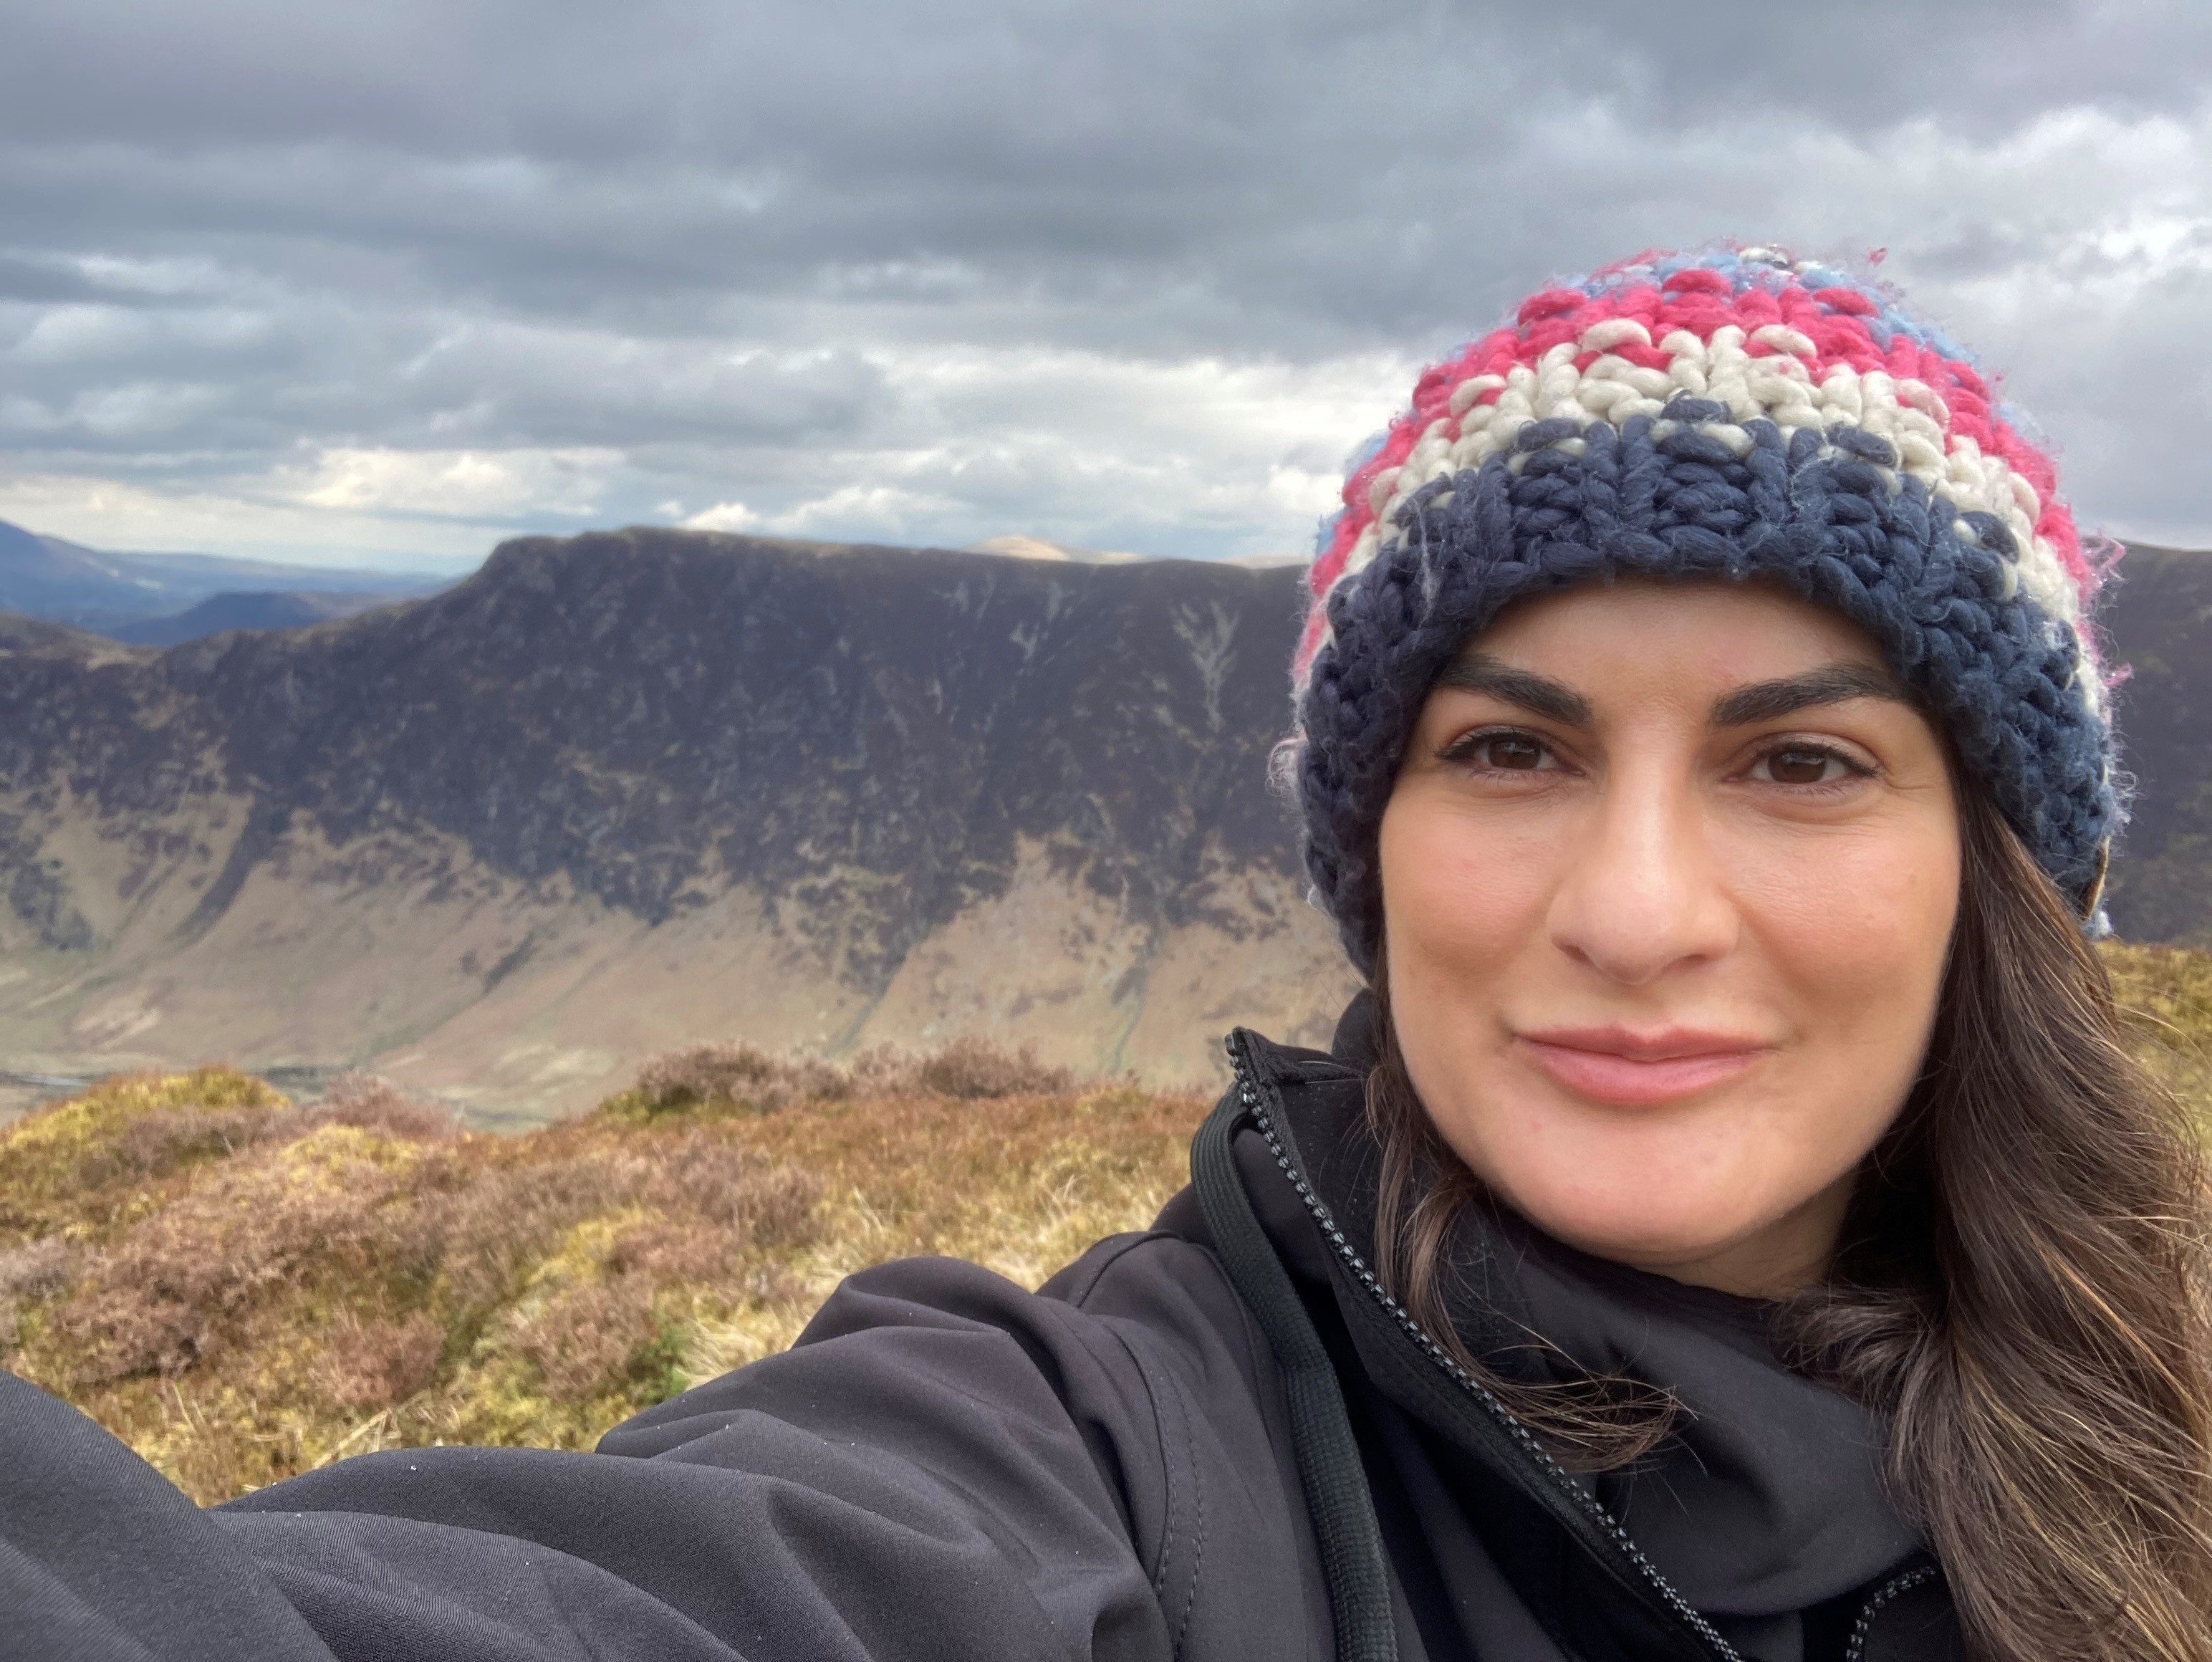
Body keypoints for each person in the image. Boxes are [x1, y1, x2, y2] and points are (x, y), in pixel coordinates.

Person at [4, 245, 2206, 1662]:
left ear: (1998, 871)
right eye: (1511, 747)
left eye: (1801, 763)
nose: (1633, 908)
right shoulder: (1106, 1460)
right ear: (1379, 841)